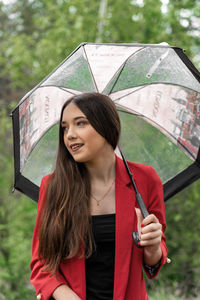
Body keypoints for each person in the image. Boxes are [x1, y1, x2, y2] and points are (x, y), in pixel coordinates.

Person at [30, 92, 168, 300]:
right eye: (65, 127)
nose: (70, 135)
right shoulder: (53, 186)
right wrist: (67, 295)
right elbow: (41, 264)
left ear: (106, 126)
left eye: (80, 123)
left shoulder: (145, 179)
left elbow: (153, 262)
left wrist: (153, 247)